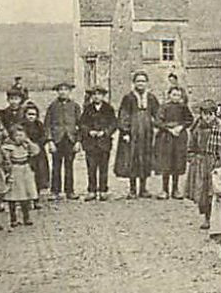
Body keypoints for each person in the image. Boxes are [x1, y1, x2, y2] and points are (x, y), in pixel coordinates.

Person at [115, 71, 160, 199]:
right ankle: (133, 189)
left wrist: (156, 127)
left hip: (146, 133)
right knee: (132, 159)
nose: (141, 83)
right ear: (134, 83)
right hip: (133, 134)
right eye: (138, 81)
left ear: (147, 83)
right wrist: (125, 131)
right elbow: (123, 115)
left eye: (143, 81)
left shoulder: (151, 98)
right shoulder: (128, 98)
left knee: (145, 158)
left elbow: (158, 114)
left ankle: (144, 188)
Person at [185, 98, 221, 226]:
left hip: (215, 162)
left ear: (215, 114)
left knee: (214, 191)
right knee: (202, 192)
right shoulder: (197, 128)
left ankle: (218, 217)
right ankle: (206, 217)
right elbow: (191, 145)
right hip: (200, 163)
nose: (208, 117)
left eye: (211, 114)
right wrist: (192, 157)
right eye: (205, 114)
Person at [154, 86, 194, 199]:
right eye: (173, 94)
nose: (176, 97)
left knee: (177, 161)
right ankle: (164, 189)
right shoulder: (164, 107)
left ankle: (175, 189)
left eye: (178, 95)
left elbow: (190, 120)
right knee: (166, 162)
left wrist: (181, 127)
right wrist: (169, 129)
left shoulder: (183, 107)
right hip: (166, 138)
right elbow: (158, 121)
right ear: (169, 95)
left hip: (179, 138)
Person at [79, 85, 117, 201]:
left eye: (99, 94)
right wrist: (89, 131)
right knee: (91, 167)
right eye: (94, 94)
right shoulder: (87, 108)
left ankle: (103, 190)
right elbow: (82, 124)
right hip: (90, 143)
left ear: (103, 96)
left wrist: (105, 132)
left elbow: (113, 124)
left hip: (104, 143)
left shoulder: (108, 108)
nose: (96, 97)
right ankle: (92, 190)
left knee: (104, 167)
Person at [44, 81, 81, 200]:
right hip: (57, 140)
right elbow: (47, 125)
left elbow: (80, 124)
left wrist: (78, 141)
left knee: (69, 166)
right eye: (60, 90)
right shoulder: (52, 106)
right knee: (56, 166)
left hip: (70, 139)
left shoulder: (75, 106)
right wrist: (50, 141)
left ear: (70, 92)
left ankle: (70, 191)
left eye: (66, 89)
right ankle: (55, 191)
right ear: (57, 92)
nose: (63, 92)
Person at [2, 125, 40, 227]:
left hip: (25, 170)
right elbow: (5, 160)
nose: (19, 137)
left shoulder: (26, 145)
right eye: (17, 135)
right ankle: (13, 218)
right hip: (14, 170)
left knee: (26, 195)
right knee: (13, 196)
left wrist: (28, 142)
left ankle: (26, 217)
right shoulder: (8, 147)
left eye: (21, 135)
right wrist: (7, 170)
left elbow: (36, 151)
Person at [20, 102, 50, 207]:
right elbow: (18, 136)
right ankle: (26, 200)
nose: (31, 117)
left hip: (39, 154)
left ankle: (36, 199)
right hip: (25, 153)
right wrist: (27, 144)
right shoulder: (21, 125)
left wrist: (38, 144)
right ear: (25, 115)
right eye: (29, 114)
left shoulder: (39, 125)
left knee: (38, 175)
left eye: (33, 114)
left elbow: (44, 136)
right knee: (27, 176)